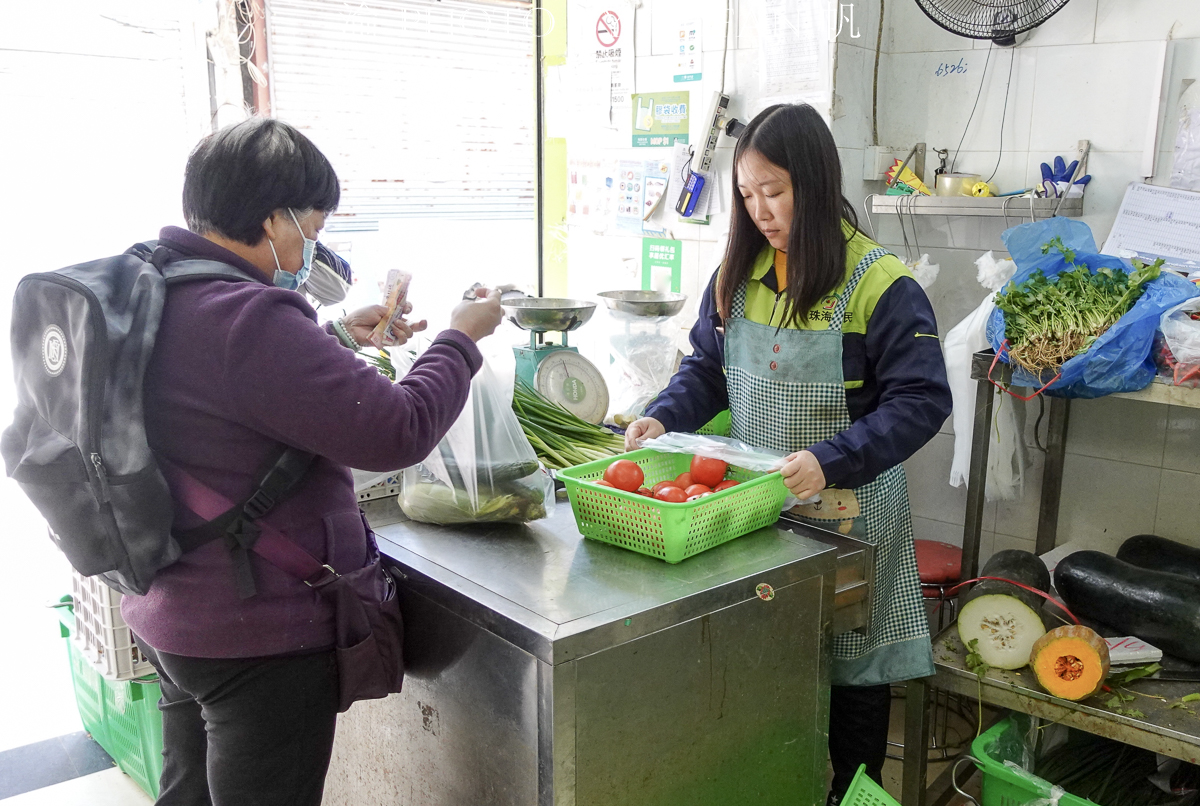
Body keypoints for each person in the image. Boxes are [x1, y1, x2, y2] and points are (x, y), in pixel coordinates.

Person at [119, 117, 504, 806]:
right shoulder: (249, 317)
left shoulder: (155, 284)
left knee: (189, 792)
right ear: (273, 217)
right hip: (252, 632)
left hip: (172, 606)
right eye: (313, 226)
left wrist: (327, 337)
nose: (312, 246)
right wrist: (459, 340)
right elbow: (397, 430)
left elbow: (221, 397)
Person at [624, 104, 952, 805]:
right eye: (747, 195)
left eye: (773, 191)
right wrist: (661, 417)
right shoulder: (739, 274)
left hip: (849, 515)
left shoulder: (879, 284)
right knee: (770, 671)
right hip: (757, 510)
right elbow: (705, 369)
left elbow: (921, 401)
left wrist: (833, 457)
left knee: (853, 677)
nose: (761, 211)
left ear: (813, 179)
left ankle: (854, 796)